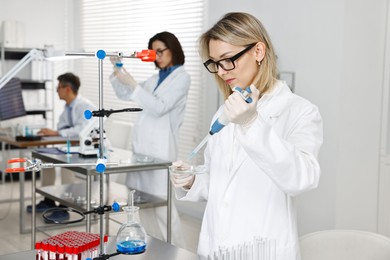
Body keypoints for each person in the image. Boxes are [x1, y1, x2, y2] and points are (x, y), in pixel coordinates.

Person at [170, 12, 323, 259]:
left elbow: (302, 178)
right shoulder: (225, 112)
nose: (221, 71)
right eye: (214, 63)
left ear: (258, 51)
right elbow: (222, 182)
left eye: (228, 60)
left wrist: (252, 125)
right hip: (215, 246)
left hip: (262, 248)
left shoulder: (300, 111)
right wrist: (192, 181)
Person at [109, 31, 191, 246]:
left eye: (160, 51)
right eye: (153, 52)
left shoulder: (182, 77)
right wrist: (118, 70)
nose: (156, 56)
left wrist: (133, 84)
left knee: (163, 209)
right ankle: (155, 250)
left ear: (173, 49)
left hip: (161, 151)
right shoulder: (155, 78)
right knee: (142, 207)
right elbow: (125, 94)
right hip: (142, 150)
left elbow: (159, 107)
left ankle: (178, 253)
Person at [27, 72, 96, 222]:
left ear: (68, 89)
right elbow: (63, 127)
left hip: (87, 150)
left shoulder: (85, 106)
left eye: (58, 87)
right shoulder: (68, 107)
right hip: (70, 147)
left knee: (66, 164)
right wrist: (58, 132)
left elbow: (81, 131)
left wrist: (57, 132)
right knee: (46, 160)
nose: (56, 90)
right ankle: (48, 200)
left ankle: (65, 207)